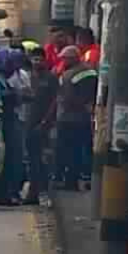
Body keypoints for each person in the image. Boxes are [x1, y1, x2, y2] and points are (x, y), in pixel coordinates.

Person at [0, 48, 29, 205]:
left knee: (12, 160)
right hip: (4, 126)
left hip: (11, 124)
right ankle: (2, 195)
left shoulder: (6, 83)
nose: (14, 69)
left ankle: (8, 193)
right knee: (6, 160)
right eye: (11, 66)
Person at [53, 46, 98, 191]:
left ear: (73, 59)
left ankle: (67, 181)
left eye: (65, 58)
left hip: (68, 118)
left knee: (66, 151)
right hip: (85, 118)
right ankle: (76, 179)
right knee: (80, 150)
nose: (63, 61)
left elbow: (66, 98)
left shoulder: (68, 75)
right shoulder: (92, 71)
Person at [24, 43, 59, 203]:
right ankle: (33, 193)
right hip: (28, 124)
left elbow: (55, 101)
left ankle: (44, 192)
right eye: (34, 59)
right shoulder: (27, 76)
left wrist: (46, 121)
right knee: (32, 159)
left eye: (40, 59)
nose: (37, 62)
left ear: (45, 61)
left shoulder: (51, 78)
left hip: (45, 125)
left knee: (44, 160)